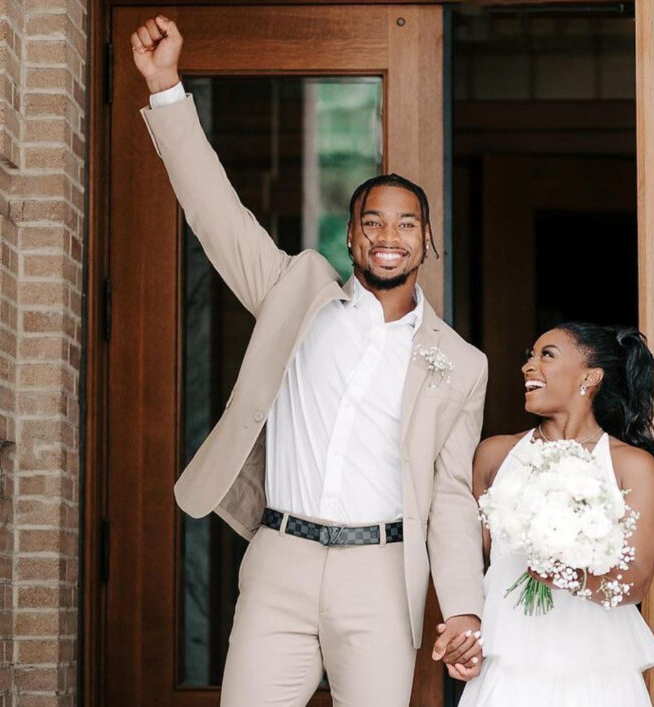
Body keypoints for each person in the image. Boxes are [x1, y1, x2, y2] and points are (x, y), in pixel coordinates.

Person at [130, 15, 486, 706]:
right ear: (351, 236)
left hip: (381, 575)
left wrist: (463, 603)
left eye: (406, 223)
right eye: (373, 222)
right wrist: (167, 86)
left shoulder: (461, 363)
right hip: (280, 558)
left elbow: (451, 497)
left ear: (426, 241)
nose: (389, 236)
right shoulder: (296, 294)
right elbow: (218, 215)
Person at [458, 323, 654, 706]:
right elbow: (472, 563)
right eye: (529, 357)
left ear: (590, 376)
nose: (528, 367)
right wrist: (464, 633)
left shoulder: (630, 466)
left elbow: (635, 582)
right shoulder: (495, 455)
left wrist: (568, 575)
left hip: (593, 661)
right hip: (508, 654)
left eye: (546, 355)